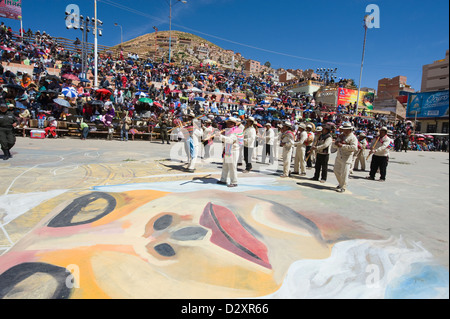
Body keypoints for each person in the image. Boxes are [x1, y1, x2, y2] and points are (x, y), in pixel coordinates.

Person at [333, 122, 358, 193]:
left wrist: (343, 146)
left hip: (347, 157)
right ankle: (341, 183)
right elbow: (336, 145)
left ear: (350, 130)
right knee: (336, 170)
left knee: (345, 172)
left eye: (347, 129)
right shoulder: (341, 136)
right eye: (344, 129)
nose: (345, 131)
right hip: (339, 155)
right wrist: (336, 144)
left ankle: (343, 186)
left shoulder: (353, 138)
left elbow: (354, 148)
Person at [216, 117, 241, 187]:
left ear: (233, 124)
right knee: (225, 165)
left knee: (232, 166)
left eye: (229, 123)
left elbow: (230, 140)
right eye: (227, 123)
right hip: (227, 149)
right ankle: (223, 179)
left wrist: (220, 136)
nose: (227, 124)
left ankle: (234, 181)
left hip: (233, 150)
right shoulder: (228, 130)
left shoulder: (236, 131)